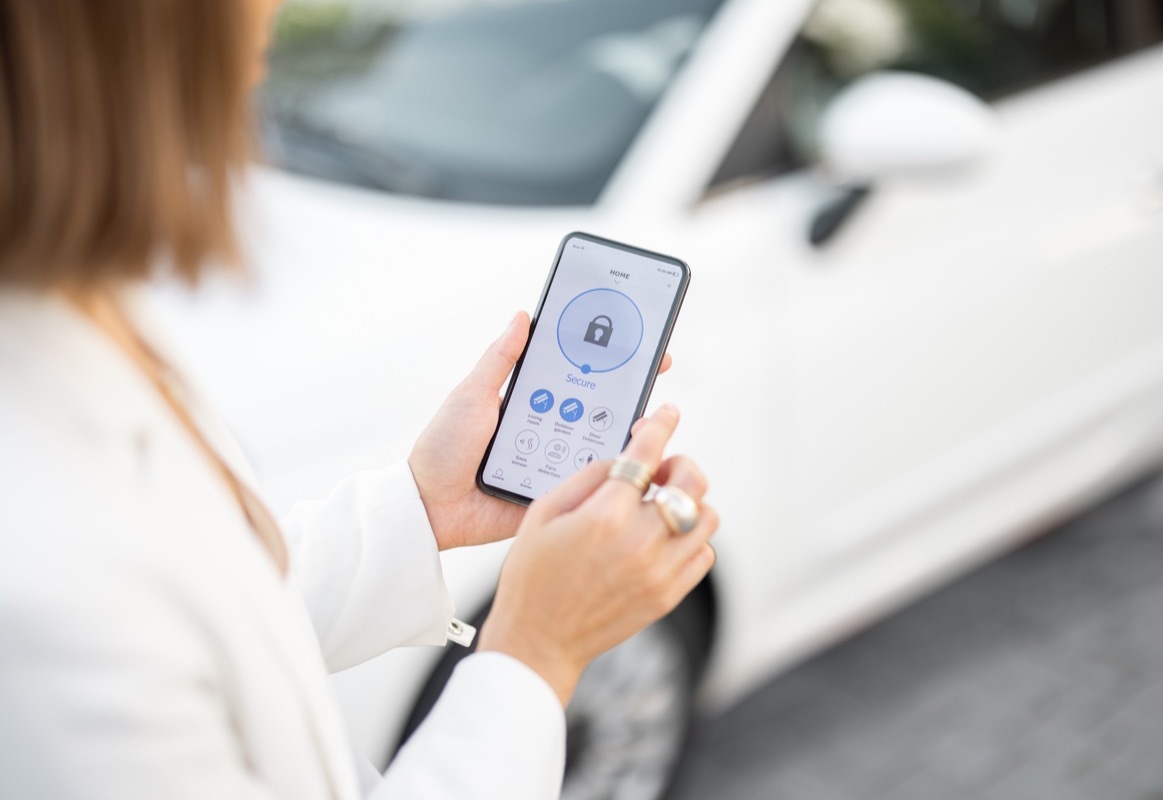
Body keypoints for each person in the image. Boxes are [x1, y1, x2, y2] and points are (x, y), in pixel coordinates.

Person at [0, 2, 718, 799]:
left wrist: (422, 509)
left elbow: (210, 618)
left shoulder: (79, 314)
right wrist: (535, 654)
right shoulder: (38, 590)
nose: (271, 13)